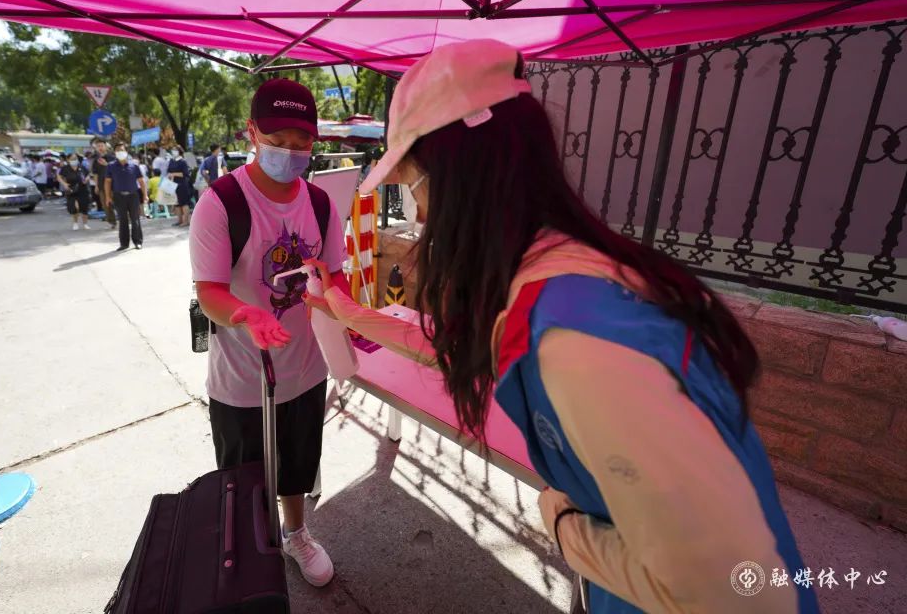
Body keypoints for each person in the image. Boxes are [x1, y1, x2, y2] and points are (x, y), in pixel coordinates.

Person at [303, 40, 816, 613]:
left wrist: (564, 522)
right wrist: (346, 311)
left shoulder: (577, 340)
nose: (418, 215)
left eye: (413, 186)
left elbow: (740, 588)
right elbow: (456, 347)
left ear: (457, 178)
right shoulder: (555, 271)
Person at [190, 78, 347, 589]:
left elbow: (335, 274)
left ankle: (296, 533)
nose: (291, 151)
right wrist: (246, 315)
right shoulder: (221, 202)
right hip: (243, 377)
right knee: (244, 480)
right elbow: (210, 292)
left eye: (302, 142)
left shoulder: (321, 204)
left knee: (297, 464)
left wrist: (342, 304)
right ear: (252, 132)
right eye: (278, 140)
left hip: (305, 366)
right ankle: (247, 553)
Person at [105, 143, 147, 251]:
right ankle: (124, 244)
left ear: (126, 152)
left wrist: (145, 195)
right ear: (115, 152)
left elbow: (141, 181)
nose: (120, 152)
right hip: (118, 196)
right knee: (122, 220)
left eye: (122, 150)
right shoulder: (111, 166)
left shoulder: (134, 166)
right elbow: (108, 182)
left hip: (133, 196)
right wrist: (108, 196)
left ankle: (138, 242)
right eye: (118, 150)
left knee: (135, 219)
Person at [57, 155, 91, 231]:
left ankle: (85, 224)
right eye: (72, 159)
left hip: (83, 189)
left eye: (75, 159)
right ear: (68, 160)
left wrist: (86, 179)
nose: (74, 160)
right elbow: (59, 176)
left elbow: (88, 174)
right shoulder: (65, 168)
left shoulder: (81, 167)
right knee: (74, 207)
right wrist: (64, 184)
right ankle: (75, 223)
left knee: (84, 207)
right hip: (71, 189)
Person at [165, 146, 193, 227]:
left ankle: (186, 221)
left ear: (179, 151)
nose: (173, 151)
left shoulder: (183, 161)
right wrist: (169, 176)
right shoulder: (171, 161)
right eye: (173, 150)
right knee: (176, 203)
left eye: (175, 150)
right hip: (173, 184)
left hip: (182, 185)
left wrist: (173, 174)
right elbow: (168, 171)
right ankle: (179, 220)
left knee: (184, 203)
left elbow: (185, 174)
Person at [91, 139, 117, 228]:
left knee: (117, 202)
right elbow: (95, 174)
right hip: (102, 185)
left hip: (114, 184)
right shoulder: (96, 160)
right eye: (98, 146)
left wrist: (107, 164)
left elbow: (117, 169)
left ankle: (125, 218)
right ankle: (112, 222)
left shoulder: (112, 157)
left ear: (106, 147)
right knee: (106, 205)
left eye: (102, 145)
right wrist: (96, 185)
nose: (100, 148)